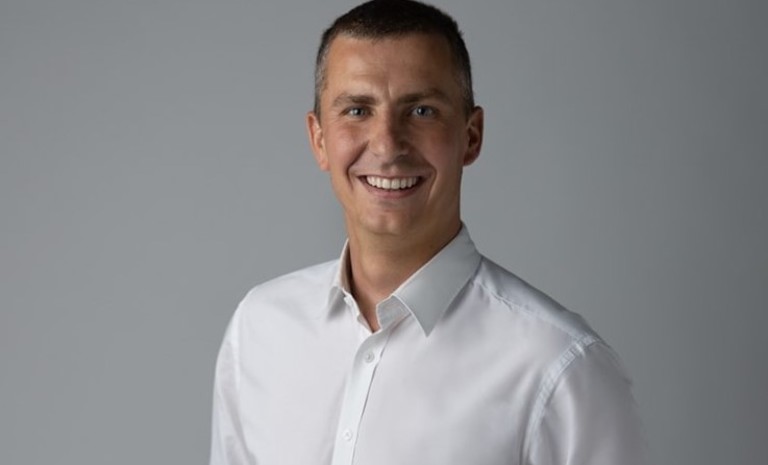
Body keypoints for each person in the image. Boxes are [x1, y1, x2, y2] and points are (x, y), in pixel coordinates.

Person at [209, 1, 647, 464]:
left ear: (471, 136)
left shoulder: (557, 366)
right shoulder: (259, 329)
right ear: (319, 139)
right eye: (357, 110)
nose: (387, 146)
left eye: (421, 110)